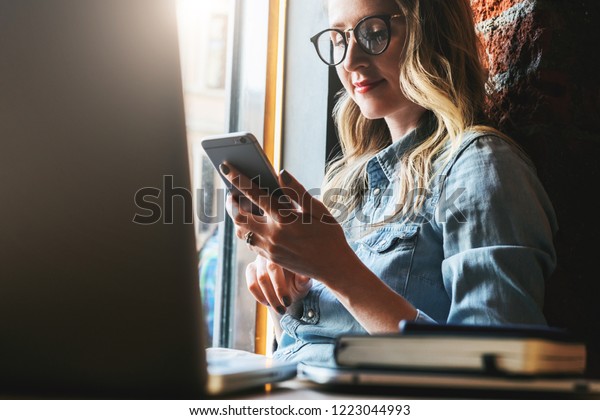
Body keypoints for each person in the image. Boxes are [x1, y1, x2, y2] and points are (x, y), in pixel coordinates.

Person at [218, 0, 558, 365]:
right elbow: (305, 349)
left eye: (374, 33)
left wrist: (337, 269)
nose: (349, 62)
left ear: (430, 33)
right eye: (338, 39)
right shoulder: (349, 182)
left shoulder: (481, 167)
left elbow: (495, 372)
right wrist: (284, 294)